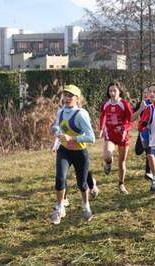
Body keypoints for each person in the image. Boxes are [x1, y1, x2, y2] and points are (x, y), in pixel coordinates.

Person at [50, 85, 95, 225]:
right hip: (64, 151)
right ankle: (59, 208)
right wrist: (56, 140)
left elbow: (91, 137)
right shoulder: (61, 112)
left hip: (80, 152)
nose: (67, 98)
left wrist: (72, 138)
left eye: (70, 96)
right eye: (65, 95)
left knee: (82, 183)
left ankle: (85, 205)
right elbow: (58, 126)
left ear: (77, 98)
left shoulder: (81, 114)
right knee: (60, 178)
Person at [97, 80, 134, 194]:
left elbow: (131, 121)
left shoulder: (125, 104)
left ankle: (121, 185)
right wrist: (101, 130)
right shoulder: (105, 104)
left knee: (122, 163)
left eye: (115, 91)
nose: (112, 93)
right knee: (106, 155)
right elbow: (103, 116)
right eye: (110, 91)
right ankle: (109, 162)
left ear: (120, 91)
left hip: (123, 136)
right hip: (110, 135)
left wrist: (123, 127)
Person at [132, 84, 155, 191]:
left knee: (150, 156)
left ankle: (154, 180)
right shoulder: (144, 104)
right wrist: (141, 109)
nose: (152, 94)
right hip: (144, 135)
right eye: (150, 92)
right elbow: (132, 118)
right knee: (149, 156)